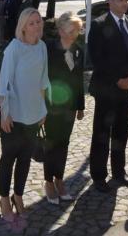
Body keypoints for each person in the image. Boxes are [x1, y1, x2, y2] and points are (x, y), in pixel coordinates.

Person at [88, 0, 128, 192]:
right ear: (110, 3)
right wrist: (116, 80)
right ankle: (98, 176)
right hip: (106, 89)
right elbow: (96, 58)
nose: (125, 3)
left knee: (121, 133)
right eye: (120, 0)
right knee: (102, 133)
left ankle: (119, 172)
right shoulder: (99, 24)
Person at [0, 8, 49, 229]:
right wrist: (5, 112)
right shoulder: (14, 48)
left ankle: (18, 195)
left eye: (39, 22)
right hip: (13, 114)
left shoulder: (42, 47)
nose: (36, 26)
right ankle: (4, 199)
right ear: (23, 26)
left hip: (33, 114)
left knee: (25, 159)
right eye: (32, 23)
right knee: (9, 158)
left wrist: (43, 108)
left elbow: (44, 79)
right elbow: (4, 82)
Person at [43, 12, 85, 204]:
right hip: (51, 106)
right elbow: (42, 79)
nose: (72, 34)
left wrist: (80, 106)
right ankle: (49, 182)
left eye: (76, 31)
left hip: (69, 107)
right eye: (69, 31)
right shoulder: (49, 49)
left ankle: (60, 180)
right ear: (60, 30)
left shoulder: (78, 50)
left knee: (64, 145)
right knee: (51, 144)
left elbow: (78, 80)